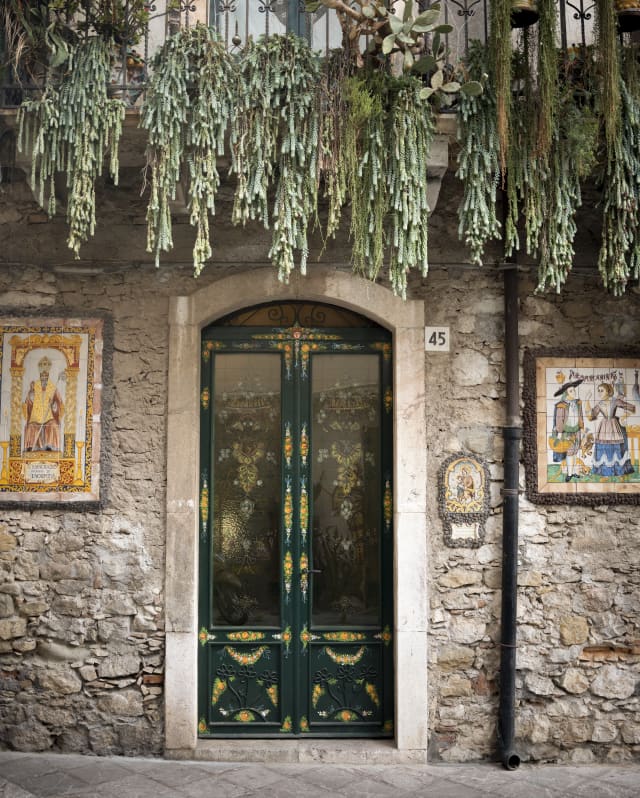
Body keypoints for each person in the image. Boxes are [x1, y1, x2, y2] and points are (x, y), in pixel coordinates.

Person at [586, 382, 635, 477]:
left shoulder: (615, 401)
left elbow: (632, 408)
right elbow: (591, 417)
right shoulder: (599, 404)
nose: (599, 393)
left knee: (615, 448)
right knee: (603, 449)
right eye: (598, 391)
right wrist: (587, 400)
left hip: (614, 427)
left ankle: (617, 471)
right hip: (603, 428)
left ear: (608, 391)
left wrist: (623, 417)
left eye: (602, 390)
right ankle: (605, 473)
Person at [22, 356, 64, 453]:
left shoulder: (53, 388)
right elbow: (28, 403)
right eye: (42, 377)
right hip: (36, 417)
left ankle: (50, 446)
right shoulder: (34, 386)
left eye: (46, 377)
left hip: (49, 417)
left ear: (48, 376)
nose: (44, 379)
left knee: (53, 425)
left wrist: (53, 405)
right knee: (31, 426)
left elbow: (59, 405)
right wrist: (31, 392)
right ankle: (31, 447)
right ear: (40, 376)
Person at [552, 379, 584, 481]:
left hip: (577, 431)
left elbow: (580, 416)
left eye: (574, 390)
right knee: (570, 453)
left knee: (575, 452)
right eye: (571, 391)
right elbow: (559, 420)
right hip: (567, 432)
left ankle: (574, 471)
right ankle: (569, 474)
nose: (573, 392)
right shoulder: (562, 405)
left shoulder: (578, 403)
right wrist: (560, 432)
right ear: (566, 393)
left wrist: (582, 427)